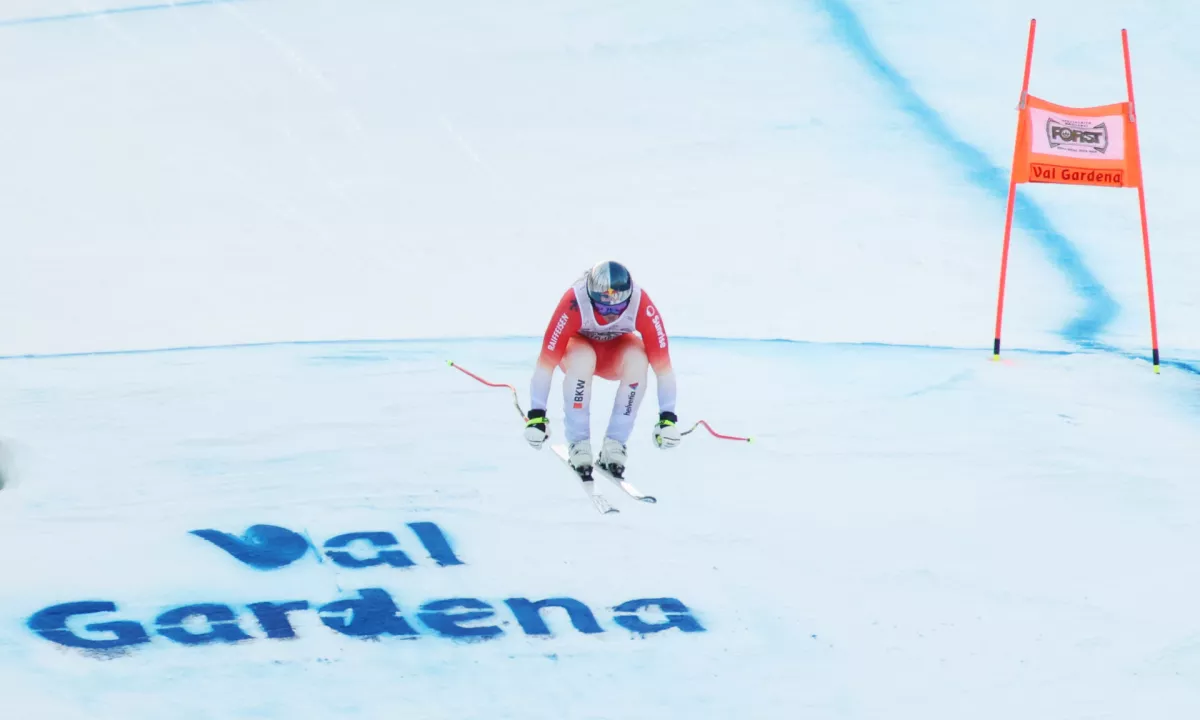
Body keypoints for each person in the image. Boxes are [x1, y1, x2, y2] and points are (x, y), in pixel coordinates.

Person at [522, 261, 681, 474]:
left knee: (638, 360)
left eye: (618, 308)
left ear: (629, 298)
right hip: (578, 350)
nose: (610, 314)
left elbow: (664, 370)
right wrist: (536, 416)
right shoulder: (574, 301)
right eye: (603, 308)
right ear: (590, 297)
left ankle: (615, 444)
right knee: (582, 359)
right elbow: (545, 365)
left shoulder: (641, 304)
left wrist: (667, 420)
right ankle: (579, 444)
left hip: (614, 355)